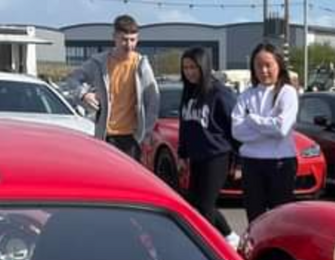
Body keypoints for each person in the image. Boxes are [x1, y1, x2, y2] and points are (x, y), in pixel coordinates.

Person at [66, 13, 160, 160]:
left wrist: (144, 134)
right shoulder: (99, 63)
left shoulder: (141, 65)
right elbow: (72, 79)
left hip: (131, 138)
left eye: (132, 40)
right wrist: (83, 94)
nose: (128, 45)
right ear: (114, 37)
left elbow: (153, 101)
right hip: (105, 136)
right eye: (124, 39)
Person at [231, 43, 299, 222]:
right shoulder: (246, 95)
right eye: (258, 66)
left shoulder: (287, 93)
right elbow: (237, 131)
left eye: (268, 65)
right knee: (254, 218)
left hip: (280, 163)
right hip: (251, 163)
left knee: (280, 219)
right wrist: (269, 127)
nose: (264, 70)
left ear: (279, 65)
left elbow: (281, 129)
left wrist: (252, 120)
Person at [177, 46, 238, 245]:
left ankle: (211, 246)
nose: (189, 72)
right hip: (197, 157)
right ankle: (230, 237)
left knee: (205, 205)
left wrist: (238, 162)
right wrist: (182, 154)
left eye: (193, 67)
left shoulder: (220, 93)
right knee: (197, 202)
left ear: (203, 67)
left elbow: (235, 128)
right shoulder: (188, 92)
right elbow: (185, 126)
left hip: (216, 156)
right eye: (186, 68)